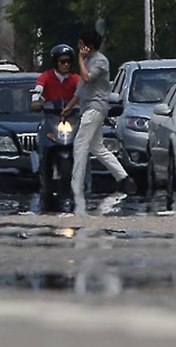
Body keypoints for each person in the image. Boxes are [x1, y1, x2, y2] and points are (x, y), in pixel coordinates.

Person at [61, 29, 137, 216]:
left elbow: (87, 78)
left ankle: (76, 185)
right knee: (97, 147)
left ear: (89, 46)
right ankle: (124, 178)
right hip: (86, 108)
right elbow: (80, 91)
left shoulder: (100, 61)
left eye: (81, 44)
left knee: (80, 144)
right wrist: (68, 108)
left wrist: (80, 59)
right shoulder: (87, 62)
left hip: (96, 107)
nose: (78, 47)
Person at [31, 43, 92, 195]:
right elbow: (39, 88)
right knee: (42, 139)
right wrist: (36, 100)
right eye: (62, 61)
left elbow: (85, 92)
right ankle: (41, 168)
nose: (65, 65)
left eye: (68, 62)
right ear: (55, 62)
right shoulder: (46, 76)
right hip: (52, 117)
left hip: (72, 117)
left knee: (85, 147)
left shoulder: (75, 79)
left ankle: (87, 183)